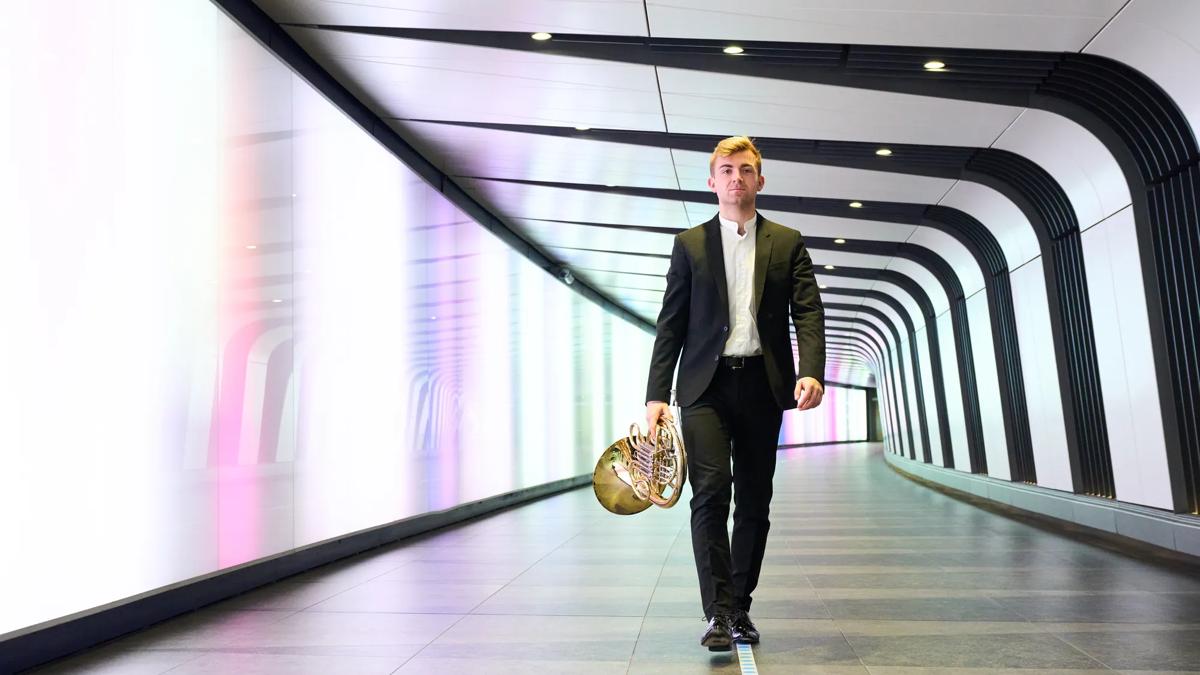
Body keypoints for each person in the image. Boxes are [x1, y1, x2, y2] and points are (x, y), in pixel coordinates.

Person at [644, 136, 826, 651]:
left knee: (754, 499)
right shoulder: (690, 245)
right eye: (726, 171)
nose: (735, 179)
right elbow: (670, 324)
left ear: (759, 181)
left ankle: (740, 606)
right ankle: (718, 611)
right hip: (704, 386)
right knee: (710, 493)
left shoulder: (787, 242)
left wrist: (810, 370)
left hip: (763, 386)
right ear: (712, 182)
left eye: (745, 171)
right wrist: (657, 394)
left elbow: (808, 312)